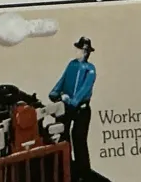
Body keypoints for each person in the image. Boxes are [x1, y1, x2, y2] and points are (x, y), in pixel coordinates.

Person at [50, 37, 96, 179]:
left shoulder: (90, 69)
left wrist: (73, 101)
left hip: (81, 108)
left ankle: (84, 173)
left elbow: (85, 89)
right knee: (63, 136)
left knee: (79, 138)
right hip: (66, 107)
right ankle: (67, 167)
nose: (77, 52)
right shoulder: (72, 64)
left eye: (80, 50)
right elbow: (62, 80)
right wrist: (55, 93)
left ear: (86, 52)